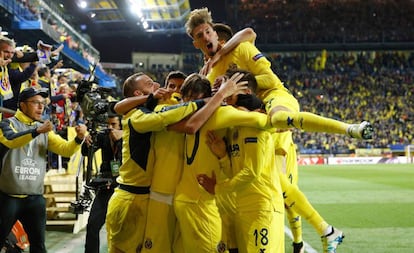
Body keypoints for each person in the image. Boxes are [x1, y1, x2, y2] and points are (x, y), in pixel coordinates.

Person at [185, 7, 373, 140]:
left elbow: (269, 79)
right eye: (200, 36)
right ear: (195, 44)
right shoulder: (208, 76)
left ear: (216, 34)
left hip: (274, 97)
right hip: (251, 124)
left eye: (208, 31)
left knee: (278, 119)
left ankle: (350, 129)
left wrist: (234, 87)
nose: (206, 37)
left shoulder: (241, 49)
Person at [105, 72, 244, 253]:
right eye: (171, 86)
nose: (176, 91)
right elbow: (189, 125)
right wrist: (217, 96)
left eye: (180, 87)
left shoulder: (182, 109)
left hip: (175, 196)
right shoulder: (159, 110)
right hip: (151, 195)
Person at [167, 73, 274, 253]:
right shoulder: (217, 114)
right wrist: (270, 117)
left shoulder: (181, 116)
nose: (190, 103)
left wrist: (223, 156)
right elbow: (261, 121)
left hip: (188, 198)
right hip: (200, 202)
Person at [0, 87, 87, 253]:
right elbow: (11, 140)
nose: (41, 107)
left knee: (39, 246)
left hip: (35, 198)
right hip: (8, 198)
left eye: (43, 104)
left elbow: (65, 149)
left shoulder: (43, 129)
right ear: (22, 105)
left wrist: (78, 139)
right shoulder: (7, 124)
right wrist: (36, 131)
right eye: (36, 103)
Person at [197, 92, 285, 253]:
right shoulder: (234, 132)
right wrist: (223, 156)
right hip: (244, 207)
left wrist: (217, 188)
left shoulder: (255, 130)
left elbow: (251, 172)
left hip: (262, 206)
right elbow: (236, 173)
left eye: (237, 109)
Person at [83, 113, 123, 253]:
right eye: (108, 125)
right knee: (93, 224)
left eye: (114, 125)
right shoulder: (103, 136)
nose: (110, 128)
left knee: (122, 229)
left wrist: (120, 139)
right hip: (105, 185)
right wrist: (87, 140)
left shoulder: (129, 137)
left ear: (121, 125)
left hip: (123, 187)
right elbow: (86, 152)